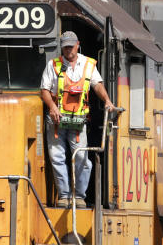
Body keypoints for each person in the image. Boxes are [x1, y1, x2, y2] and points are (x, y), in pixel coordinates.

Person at [40, 31, 116, 208]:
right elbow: (44, 89)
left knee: (82, 157)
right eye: (65, 47)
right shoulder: (53, 65)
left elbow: (97, 84)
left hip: (78, 121)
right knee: (57, 157)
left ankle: (79, 196)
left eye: (71, 46)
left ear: (77, 44)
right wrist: (52, 107)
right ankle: (64, 195)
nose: (69, 50)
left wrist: (107, 100)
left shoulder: (88, 65)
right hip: (57, 121)